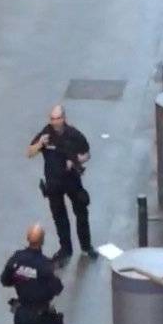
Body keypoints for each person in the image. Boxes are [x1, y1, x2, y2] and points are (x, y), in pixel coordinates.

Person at [27, 105, 98, 266]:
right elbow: (29, 152)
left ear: (64, 118)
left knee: (81, 212)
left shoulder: (74, 134)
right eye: (52, 119)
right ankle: (65, 249)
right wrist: (40, 145)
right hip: (53, 182)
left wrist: (75, 161)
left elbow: (87, 153)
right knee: (59, 217)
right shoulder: (46, 134)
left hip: (72, 180)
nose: (55, 122)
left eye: (57, 118)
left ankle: (86, 247)